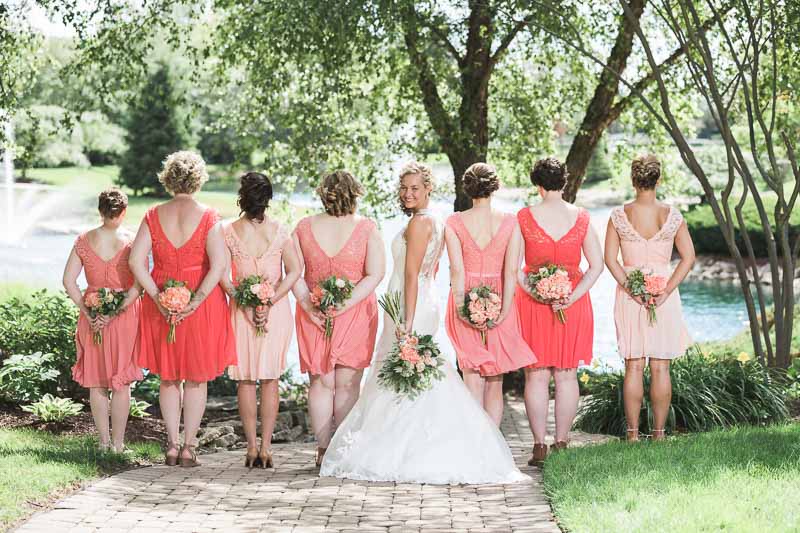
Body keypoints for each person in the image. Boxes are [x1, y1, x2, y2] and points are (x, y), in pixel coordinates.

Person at [321, 161, 528, 484]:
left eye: (415, 188)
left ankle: (406, 448)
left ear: (428, 189)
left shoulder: (420, 223)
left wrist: (406, 319)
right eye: (404, 188)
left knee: (408, 371)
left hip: (411, 304)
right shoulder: (435, 220)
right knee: (417, 373)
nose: (407, 194)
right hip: (420, 301)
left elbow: (411, 274)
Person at [129, 151, 236, 467]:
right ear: (198, 179)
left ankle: (172, 446)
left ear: (168, 178)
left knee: (169, 378)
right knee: (196, 379)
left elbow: (136, 261)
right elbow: (219, 265)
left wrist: (157, 297)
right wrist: (196, 301)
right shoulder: (209, 216)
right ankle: (189, 448)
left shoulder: (152, 215)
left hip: (162, 300)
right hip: (200, 305)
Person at [292, 170, 385, 467]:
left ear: (323, 194)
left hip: (315, 313)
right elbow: (375, 274)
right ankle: (341, 451)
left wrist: (308, 305)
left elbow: (293, 274)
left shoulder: (303, 227)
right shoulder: (367, 228)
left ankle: (322, 450)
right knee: (347, 385)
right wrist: (344, 305)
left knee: (320, 383)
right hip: (355, 312)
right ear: (355, 194)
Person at [515, 157, 603, 466]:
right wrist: (570, 298)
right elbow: (596, 266)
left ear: (537, 185)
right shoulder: (581, 217)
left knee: (536, 376)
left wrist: (536, 292)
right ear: (564, 182)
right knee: (567, 375)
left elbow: (514, 269)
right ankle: (562, 443)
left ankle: (539, 446)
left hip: (533, 306)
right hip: (573, 305)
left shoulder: (524, 217)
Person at [605, 154, 694, 441]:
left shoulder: (619, 215)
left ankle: (632, 435)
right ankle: (658, 434)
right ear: (659, 179)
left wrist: (632, 289)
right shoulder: (673, 216)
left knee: (633, 365)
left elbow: (610, 260)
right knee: (660, 366)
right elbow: (688, 258)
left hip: (630, 297)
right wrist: (666, 290)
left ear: (633, 180)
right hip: (663, 297)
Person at [444, 163, 536, 425]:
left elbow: (457, 271)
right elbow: (511, 271)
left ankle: (477, 443)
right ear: (494, 187)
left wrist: (462, 309)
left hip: (465, 297)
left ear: (467, 188)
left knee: (471, 376)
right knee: (495, 380)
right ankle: (493, 442)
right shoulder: (510, 222)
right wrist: (504, 310)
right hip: (499, 297)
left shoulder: (454, 222)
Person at [221, 172, 301, 468]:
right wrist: (271, 301)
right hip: (275, 312)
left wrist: (242, 300)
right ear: (268, 199)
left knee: (245, 380)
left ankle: (251, 448)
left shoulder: (227, 231)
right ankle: (266, 449)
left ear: (242, 197)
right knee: (270, 379)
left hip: (241, 312)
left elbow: (222, 275)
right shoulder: (280, 231)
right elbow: (295, 271)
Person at [63, 188, 142, 452]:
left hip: (92, 314)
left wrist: (89, 312)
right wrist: (114, 312)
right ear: (124, 211)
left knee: (96, 381)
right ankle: (118, 445)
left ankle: (103, 443)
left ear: (100, 210)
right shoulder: (132, 241)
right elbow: (138, 286)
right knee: (121, 382)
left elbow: (68, 281)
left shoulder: (83, 240)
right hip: (124, 317)